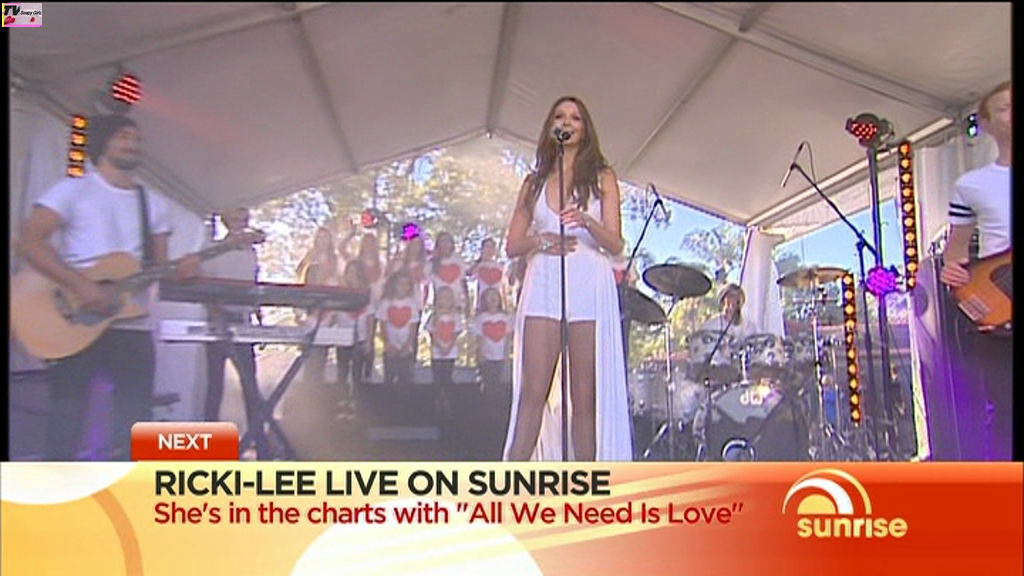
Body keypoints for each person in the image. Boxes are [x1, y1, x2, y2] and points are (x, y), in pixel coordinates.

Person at [15, 113, 201, 460]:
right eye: (122, 136)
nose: (132, 143)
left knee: (135, 423)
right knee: (66, 421)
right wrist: (80, 285)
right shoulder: (72, 190)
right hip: (75, 320)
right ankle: (56, 490)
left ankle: (126, 491)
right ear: (102, 143)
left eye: (136, 138)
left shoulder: (153, 203)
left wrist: (182, 271)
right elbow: (30, 242)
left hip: (133, 325)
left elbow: (160, 268)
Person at [502, 95, 633, 461]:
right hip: (544, 281)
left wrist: (587, 221)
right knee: (533, 394)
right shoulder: (533, 183)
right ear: (550, 127)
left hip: (587, 283)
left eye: (575, 118)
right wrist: (540, 240)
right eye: (560, 117)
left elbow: (616, 243)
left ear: (585, 128)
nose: (567, 123)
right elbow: (512, 245)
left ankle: (586, 485)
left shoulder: (603, 178)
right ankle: (511, 481)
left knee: (583, 399)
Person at [940, 80, 1012, 461]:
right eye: (1003, 108)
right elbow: (956, 252)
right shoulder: (970, 185)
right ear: (986, 124)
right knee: (1006, 420)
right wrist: (952, 271)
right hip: (1000, 319)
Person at [200, 207, 270, 456]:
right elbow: (205, 287)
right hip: (220, 323)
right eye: (237, 217)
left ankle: (260, 443)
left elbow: (253, 286)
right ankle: (209, 447)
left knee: (250, 385)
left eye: (244, 218)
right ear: (227, 220)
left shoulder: (250, 253)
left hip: (243, 322)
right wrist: (216, 313)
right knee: (214, 386)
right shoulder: (213, 250)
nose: (242, 222)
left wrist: (259, 317)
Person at [333, 259, 375, 396]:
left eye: (356, 272)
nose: (352, 276)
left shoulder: (367, 293)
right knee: (342, 371)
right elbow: (333, 313)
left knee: (357, 371)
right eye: (350, 272)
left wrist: (369, 340)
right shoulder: (340, 292)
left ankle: (357, 398)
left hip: (359, 337)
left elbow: (370, 318)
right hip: (342, 337)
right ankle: (341, 398)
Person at [377, 270, 422, 386]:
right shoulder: (386, 303)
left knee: (405, 377)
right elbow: (382, 325)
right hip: (390, 346)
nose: (403, 287)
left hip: (406, 347)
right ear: (394, 285)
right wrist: (388, 343)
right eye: (400, 284)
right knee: (389, 376)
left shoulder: (412, 304)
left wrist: (408, 344)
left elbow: (413, 327)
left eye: (406, 284)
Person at [426, 285, 463, 417]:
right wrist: (439, 347)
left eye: (448, 298)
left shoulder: (456, 317)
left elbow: (456, 334)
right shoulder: (434, 316)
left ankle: (447, 401)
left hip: (450, 353)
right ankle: (437, 401)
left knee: (447, 377)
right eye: (442, 298)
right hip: (437, 353)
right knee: (437, 377)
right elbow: (431, 334)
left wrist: (448, 347)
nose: (445, 301)